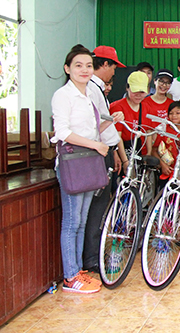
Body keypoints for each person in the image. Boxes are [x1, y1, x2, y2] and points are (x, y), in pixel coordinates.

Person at [51, 44, 123, 294]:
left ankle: (78, 270)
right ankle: (70, 276)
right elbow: (62, 133)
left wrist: (111, 122)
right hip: (73, 164)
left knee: (82, 221)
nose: (84, 70)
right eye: (78, 65)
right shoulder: (64, 95)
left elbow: (92, 130)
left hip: (87, 161)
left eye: (88, 66)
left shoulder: (88, 96)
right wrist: (95, 144)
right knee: (71, 222)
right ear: (67, 69)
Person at [83, 45, 126, 273]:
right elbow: (95, 126)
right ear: (105, 64)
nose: (114, 74)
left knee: (101, 207)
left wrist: (116, 153)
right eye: (113, 67)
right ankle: (91, 259)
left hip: (106, 152)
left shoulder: (97, 88)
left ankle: (94, 254)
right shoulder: (91, 88)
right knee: (96, 209)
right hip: (96, 154)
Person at [151, 101, 180, 184]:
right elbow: (154, 150)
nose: (174, 116)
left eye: (177, 113)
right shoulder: (164, 130)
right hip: (167, 172)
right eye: (171, 113)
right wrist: (163, 165)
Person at [109, 71, 149, 153]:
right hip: (123, 152)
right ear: (127, 88)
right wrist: (125, 161)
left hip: (141, 152)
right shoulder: (117, 107)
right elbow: (117, 137)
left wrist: (148, 153)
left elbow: (149, 132)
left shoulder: (147, 106)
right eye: (135, 91)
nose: (138, 95)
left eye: (142, 92)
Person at [141, 69, 174, 154]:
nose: (164, 85)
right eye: (161, 81)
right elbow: (145, 128)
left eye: (167, 83)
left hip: (167, 150)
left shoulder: (172, 105)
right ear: (155, 81)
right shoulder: (144, 103)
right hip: (148, 148)